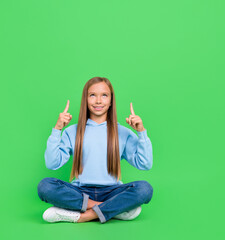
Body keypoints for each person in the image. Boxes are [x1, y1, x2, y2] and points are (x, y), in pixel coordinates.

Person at [37, 77, 153, 223]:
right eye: (92, 95)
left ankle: (83, 216)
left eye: (104, 95)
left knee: (145, 189)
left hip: (112, 192)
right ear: (85, 100)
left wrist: (141, 132)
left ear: (111, 101)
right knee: (45, 186)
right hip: (80, 191)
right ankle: (112, 209)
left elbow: (145, 164)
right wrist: (57, 129)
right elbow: (52, 164)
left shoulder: (122, 132)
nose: (98, 101)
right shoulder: (72, 131)